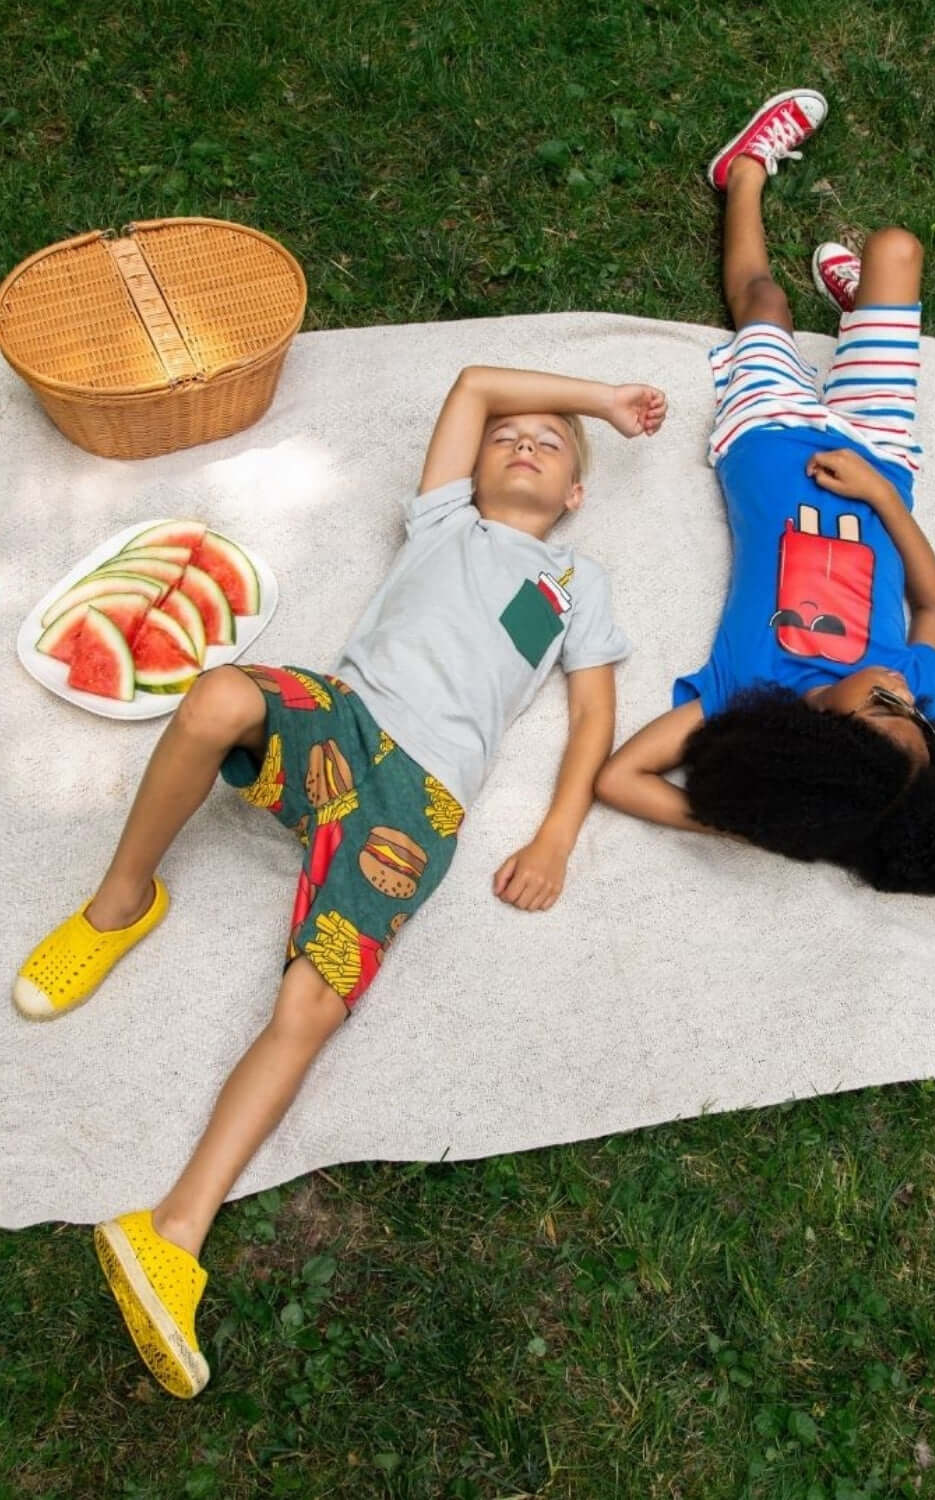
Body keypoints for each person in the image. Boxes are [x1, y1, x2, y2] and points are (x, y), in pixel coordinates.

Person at [13, 365, 667, 1397]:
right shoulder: (446, 519)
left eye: (551, 444)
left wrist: (555, 838)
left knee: (313, 1004)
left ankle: (173, 1235)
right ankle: (120, 903)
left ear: (577, 497)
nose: (526, 444)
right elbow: (469, 386)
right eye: (514, 438)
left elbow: (593, 721)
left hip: (424, 801)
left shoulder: (579, 590)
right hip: (344, 721)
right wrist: (594, 401)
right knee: (217, 699)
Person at [597, 89, 935, 915]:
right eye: (909, 713)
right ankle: (865, 304)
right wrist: (880, 495)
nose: (894, 691)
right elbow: (934, 599)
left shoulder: (741, 690)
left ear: (815, 729)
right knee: (898, 249)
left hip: (764, 436)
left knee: (763, 303)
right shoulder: (913, 685)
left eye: (876, 706)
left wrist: (761, 827)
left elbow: (620, 777)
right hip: (878, 454)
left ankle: (745, 175)